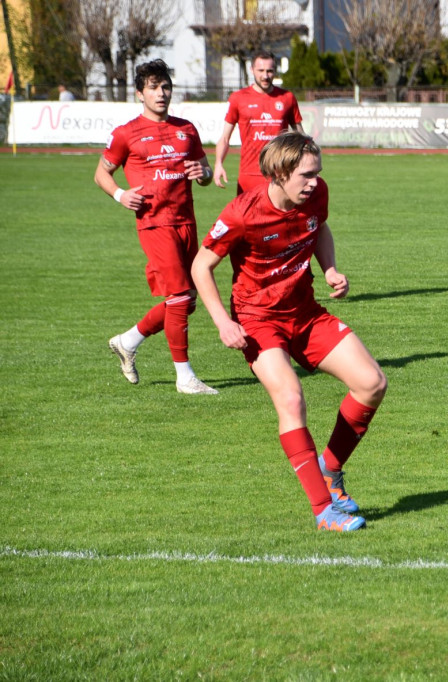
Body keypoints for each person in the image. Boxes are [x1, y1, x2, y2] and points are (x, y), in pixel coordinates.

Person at [191, 132, 387, 533]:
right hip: (258, 319)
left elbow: (320, 228)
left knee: (372, 383)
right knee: (291, 398)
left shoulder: (316, 195)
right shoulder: (243, 212)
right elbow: (200, 266)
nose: (315, 182)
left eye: (318, 173)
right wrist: (222, 323)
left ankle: (330, 472)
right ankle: (323, 511)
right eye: (306, 174)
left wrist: (330, 267)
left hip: (305, 312)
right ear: (280, 173)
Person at [94, 59, 218, 395]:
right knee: (179, 296)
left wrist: (202, 174)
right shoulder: (126, 133)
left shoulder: (186, 129)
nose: (161, 93)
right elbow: (101, 173)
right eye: (153, 87)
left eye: (165, 86)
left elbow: (205, 174)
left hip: (187, 221)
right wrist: (120, 194)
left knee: (188, 299)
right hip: (154, 222)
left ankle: (128, 341)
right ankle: (185, 377)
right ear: (140, 93)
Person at [213, 50, 304, 195]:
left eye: (270, 71)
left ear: (275, 71)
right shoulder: (238, 98)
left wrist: (307, 166)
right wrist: (218, 164)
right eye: (260, 70)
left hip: (280, 174)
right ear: (252, 70)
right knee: (247, 217)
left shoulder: (287, 98)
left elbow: (301, 137)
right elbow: (225, 138)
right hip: (249, 175)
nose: (265, 76)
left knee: (280, 217)